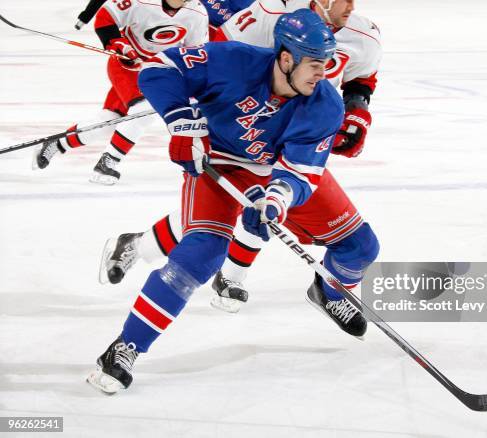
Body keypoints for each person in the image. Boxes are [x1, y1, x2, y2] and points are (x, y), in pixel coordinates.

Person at [87, 9, 378, 394]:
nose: (322, 73)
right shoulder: (233, 60)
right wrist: (181, 121)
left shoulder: (325, 104)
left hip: (275, 167)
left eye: (325, 63)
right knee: (202, 255)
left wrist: (275, 201)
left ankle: (329, 291)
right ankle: (126, 347)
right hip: (218, 161)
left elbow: (302, 173)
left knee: (361, 246)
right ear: (286, 57)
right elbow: (159, 65)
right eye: (313, 63)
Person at [32, 0, 209, 185]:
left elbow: (194, 54)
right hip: (127, 66)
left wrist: (192, 83)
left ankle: (57, 143)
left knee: (110, 120)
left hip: (157, 71)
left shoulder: (197, 13)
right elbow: (105, 16)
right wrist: (118, 44)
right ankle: (109, 161)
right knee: (143, 110)